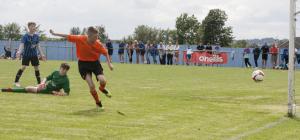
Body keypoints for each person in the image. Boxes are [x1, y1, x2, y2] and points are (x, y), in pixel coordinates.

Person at [50, 26, 113, 110]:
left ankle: (102, 88)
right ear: (89, 36)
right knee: (91, 85)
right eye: (95, 37)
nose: (97, 39)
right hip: (83, 64)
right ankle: (98, 103)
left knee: (103, 80)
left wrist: (109, 64)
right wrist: (54, 33)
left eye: (97, 36)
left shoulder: (98, 44)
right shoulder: (80, 38)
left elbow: (106, 53)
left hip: (95, 63)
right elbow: (67, 36)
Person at [2, 63, 70, 96]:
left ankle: (10, 90)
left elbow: (66, 93)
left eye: (66, 70)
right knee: (32, 87)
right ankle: (10, 89)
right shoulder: (56, 72)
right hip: (45, 86)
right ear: (60, 68)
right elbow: (46, 78)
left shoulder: (66, 80)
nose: (64, 71)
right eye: (63, 69)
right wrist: (42, 83)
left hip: (49, 90)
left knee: (28, 88)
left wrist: (57, 93)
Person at [14, 22, 46, 87]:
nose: (33, 27)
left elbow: (38, 46)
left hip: (34, 55)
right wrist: (19, 52)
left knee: (36, 68)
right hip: (26, 54)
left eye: (34, 26)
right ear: (29, 27)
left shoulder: (36, 36)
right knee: (23, 67)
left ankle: (39, 83)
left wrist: (42, 54)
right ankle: (16, 81)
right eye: (32, 26)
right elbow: (22, 45)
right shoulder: (25, 36)